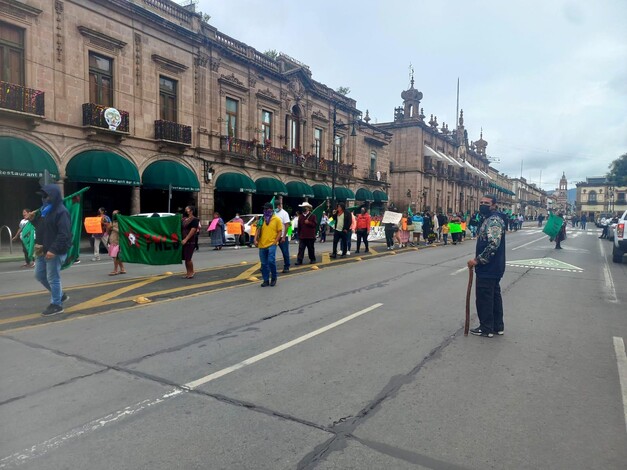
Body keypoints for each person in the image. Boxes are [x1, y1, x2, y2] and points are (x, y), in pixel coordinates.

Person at [467, 194, 506, 338]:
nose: (483, 204)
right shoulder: (489, 219)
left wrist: (478, 260)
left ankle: (486, 327)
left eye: (487, 203)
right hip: (493, 267)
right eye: (481, 202)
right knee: (494, 296)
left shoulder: (494, 220)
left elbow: (493, 244)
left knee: (485, 298)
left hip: (489, 267)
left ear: (494, 205)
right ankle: (497, 326)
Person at [30, 184, 72, 316]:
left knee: (53, 278)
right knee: (39, 275)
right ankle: (60, 295)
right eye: (43, 196)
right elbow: (42, 229)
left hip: (55, 251)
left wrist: (53, 249)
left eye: (46, 196)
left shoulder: (61, 211)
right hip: (43, 249)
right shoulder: (45, 210)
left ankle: (57, 304)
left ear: (53, 196)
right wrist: (33, 220)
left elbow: (64, 234)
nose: (44, 198)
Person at [255, 202, 283, 286]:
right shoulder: (262, 219)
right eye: (264, 209)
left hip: (272, 244)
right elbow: (258, 229)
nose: (265, 210)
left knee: (271, 261)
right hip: (262, 244)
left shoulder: (276, 219)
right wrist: (255, 239)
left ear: (271, 209)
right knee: (263, 264)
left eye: (267, 209)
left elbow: (280, 231)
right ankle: (266, 280)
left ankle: (274, 277)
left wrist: (275, 241)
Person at [106, 210, 126, 275]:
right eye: (113, 214)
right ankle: (122, 269)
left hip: (118, 241)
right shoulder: (112, 222)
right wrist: (108, 227)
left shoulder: (121, 222)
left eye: (115, 214)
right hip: (112, 240)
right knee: (117, 257)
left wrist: (113, 228)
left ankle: (115, 270)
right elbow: (108, 232)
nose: (113, 215)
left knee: (115, 256)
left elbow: (122, 231)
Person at [181, 206, 199, 278]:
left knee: (188, 258)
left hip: (190, 241)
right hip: (183, 239)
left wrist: (186, 239)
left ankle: (191, 272)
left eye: (187, 209)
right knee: (186, 258)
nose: (185, 210)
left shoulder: (195, 220)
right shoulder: (184, 219)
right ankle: (188, 272)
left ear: (191, 211)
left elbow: (193, 230)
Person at [274, 201, 291, 272]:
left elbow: (287, 225)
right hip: (274, 236)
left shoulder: (284, 213)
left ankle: (287, 266)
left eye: (275, 207)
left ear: (279, 206)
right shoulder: (273, 213)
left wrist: (284, 237)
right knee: (270, 252)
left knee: (285, 252)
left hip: (282, 236)